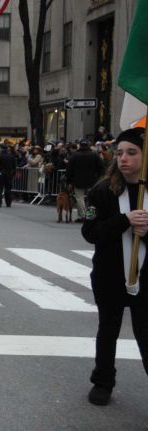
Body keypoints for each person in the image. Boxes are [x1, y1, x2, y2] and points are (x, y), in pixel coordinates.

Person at [81, 127, 148, 406]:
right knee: (108, 329)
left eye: (132, 152)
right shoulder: (100, 191)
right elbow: (89, 232)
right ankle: (103, 381)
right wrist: (124, 221)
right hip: (109, 276)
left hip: (145, 278)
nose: (124, 159)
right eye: (119, 153)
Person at [67, 139, 104, 223]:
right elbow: (101, 166)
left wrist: (69, 181)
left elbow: (69, 169)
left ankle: (83, 216)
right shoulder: (94, 155)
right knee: (92, 198)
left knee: (79, 198)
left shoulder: (75, 155)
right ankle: (90, 216)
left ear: (80, 145)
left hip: (77, 180)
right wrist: (99, 176)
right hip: (92, 180)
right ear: (88, 145)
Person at [0, 143, 16, 207]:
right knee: (8, 189)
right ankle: (8, 203)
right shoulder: (11, 156)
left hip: (0, 173)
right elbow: (14, 166)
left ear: (1, 149)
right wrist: (12, 174)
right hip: (9, 174)